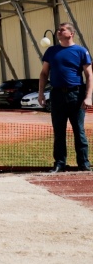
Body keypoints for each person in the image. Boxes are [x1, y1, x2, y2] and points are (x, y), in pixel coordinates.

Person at [39, 22, 93, 173]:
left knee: (79, 131)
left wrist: (88, 97)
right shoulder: (51, 51)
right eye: (58, 30)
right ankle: (60, 163)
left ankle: (84, 164)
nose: (58, 32)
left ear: (71, 33)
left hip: (76, 94)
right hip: (56, 95)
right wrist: (41, 93)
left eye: (62, 30)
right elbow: (44, 73)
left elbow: (89, 75)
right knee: (59, 131)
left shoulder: (81, 51)